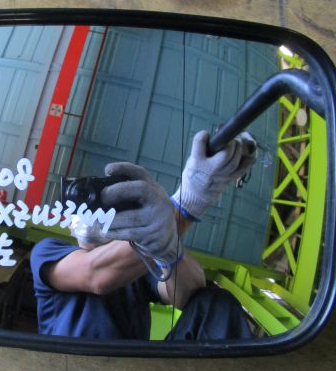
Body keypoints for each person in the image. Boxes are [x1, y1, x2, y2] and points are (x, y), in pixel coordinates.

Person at [30, 130, 256, 341]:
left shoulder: (140, 266)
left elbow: (189, 293)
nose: (94, 210)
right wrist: (186, 205)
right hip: (74, 366)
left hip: (143, 368)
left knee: (216, 304)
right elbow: (94, 275)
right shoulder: (47, 251)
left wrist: (169, 249)